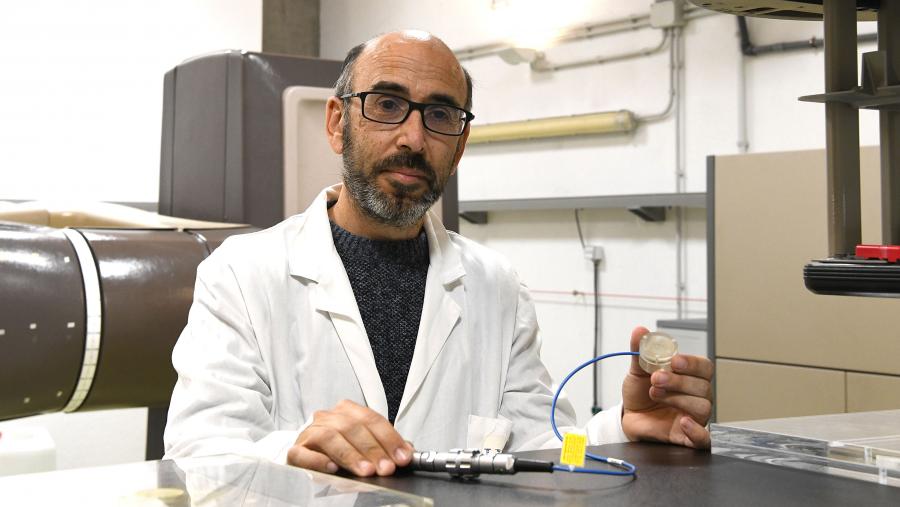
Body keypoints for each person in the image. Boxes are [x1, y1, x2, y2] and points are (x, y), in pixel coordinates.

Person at [163, 30, 714, 478]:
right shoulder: (241, 273)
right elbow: (195, 456)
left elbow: (537, 451)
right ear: (337, 122)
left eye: (441, 115)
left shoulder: (497, 286)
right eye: (387, 104)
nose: (412, 137)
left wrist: (622, 427)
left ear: (461, 144)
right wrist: (293, 450)